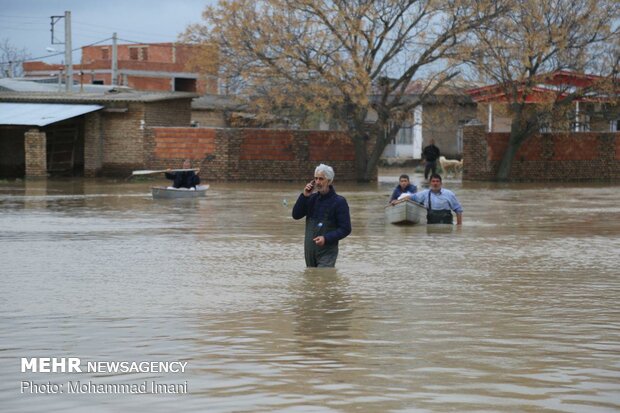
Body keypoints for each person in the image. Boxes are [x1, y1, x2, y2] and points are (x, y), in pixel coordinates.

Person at [292, 164, 352, 268]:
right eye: (316, 178)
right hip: (309, 250)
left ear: (329, 181)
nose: (318, 182)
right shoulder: (311, 199)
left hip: (327, 251)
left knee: (323, 280)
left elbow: (346, 229)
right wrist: (305, 196)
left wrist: (326, 238)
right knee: (311, 279)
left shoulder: (339, 202)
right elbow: (296, 215)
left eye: (321, 179)